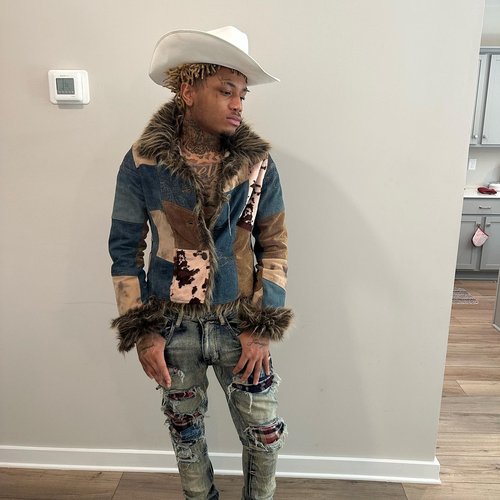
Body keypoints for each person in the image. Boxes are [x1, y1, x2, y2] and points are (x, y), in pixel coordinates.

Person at [109, 26, 292, 500]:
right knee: (186, 437)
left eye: (242, 94)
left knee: (265, 434)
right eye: (226, 90)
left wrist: (262, 325)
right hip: (172, 326)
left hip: (240, 323)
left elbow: (274, 246)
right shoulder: (143, 163)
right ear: (188, 90)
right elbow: (125, 249)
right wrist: (142, 330)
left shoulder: (257, 165)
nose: (238, 104)